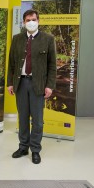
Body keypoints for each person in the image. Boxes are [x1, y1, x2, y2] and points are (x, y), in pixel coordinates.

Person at [7, 9, 57, 164]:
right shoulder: (17, 39)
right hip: (20, 83)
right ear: (23, 22)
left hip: (38, 85)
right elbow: (12, 63)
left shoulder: (48, 39)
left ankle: (35, 149)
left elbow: (52, 65)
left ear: (38, 20)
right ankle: (23, 147)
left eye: (33, 19)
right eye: (28, 20)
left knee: (37, 120)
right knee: (22, 118)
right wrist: (10, 82)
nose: (31, 22)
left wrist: (49, 86)